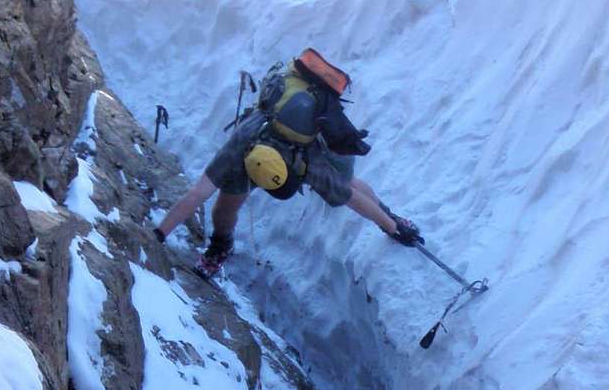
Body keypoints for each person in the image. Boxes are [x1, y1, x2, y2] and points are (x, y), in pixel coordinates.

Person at [153, 53, 422, 280]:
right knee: (225, 207)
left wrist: (389, 226)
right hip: (257, 145)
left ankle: (390, 214)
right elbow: (197, 194)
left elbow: (348, 196)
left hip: (307, 142)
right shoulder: (240, 145)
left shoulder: (308, 165)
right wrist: (159, 234)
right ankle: (220, 246)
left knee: (347, 181)